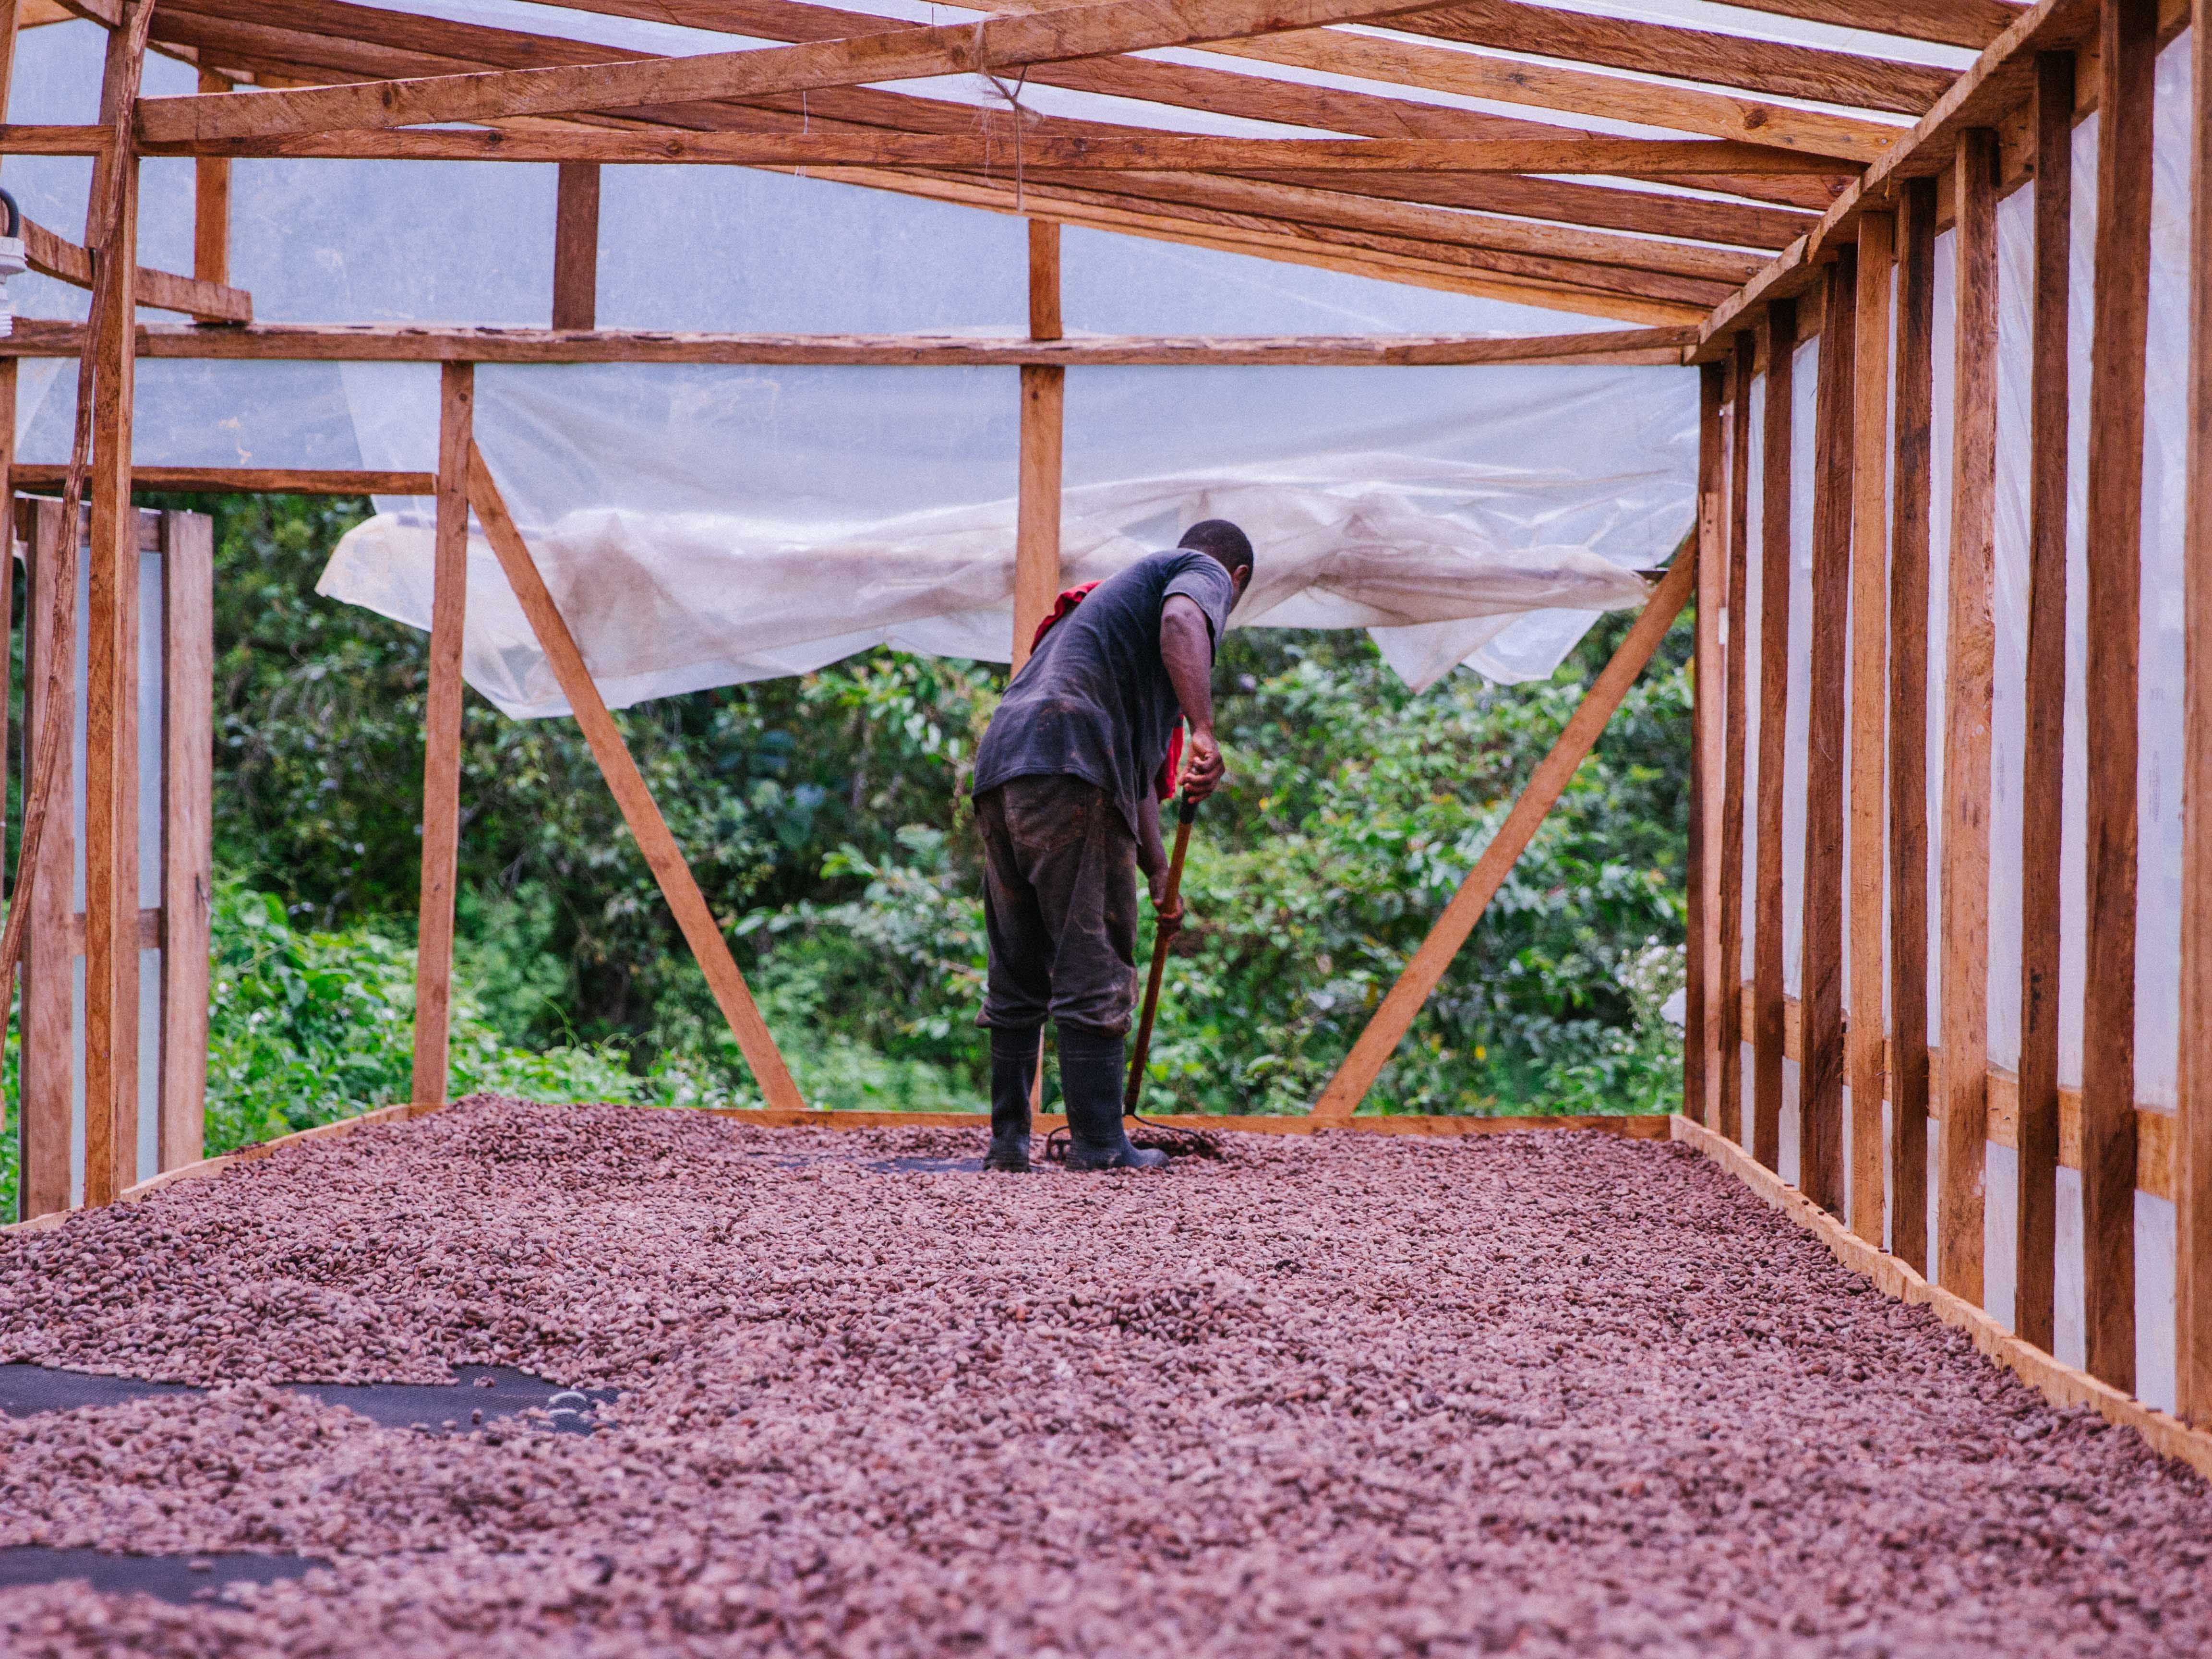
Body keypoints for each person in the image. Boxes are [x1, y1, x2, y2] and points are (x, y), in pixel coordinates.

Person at [970, 519, 1254, 1172]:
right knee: (1092, 947)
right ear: (1234, 580)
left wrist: (1159, 873)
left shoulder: (1117, 649)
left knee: (1018, 961)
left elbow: (1143, 778)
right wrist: (1205, 729)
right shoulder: (1199, 573)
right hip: (1071, 757)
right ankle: (1099, 1145)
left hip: (1008, 758)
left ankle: (1008, 1144)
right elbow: (1185, 620)